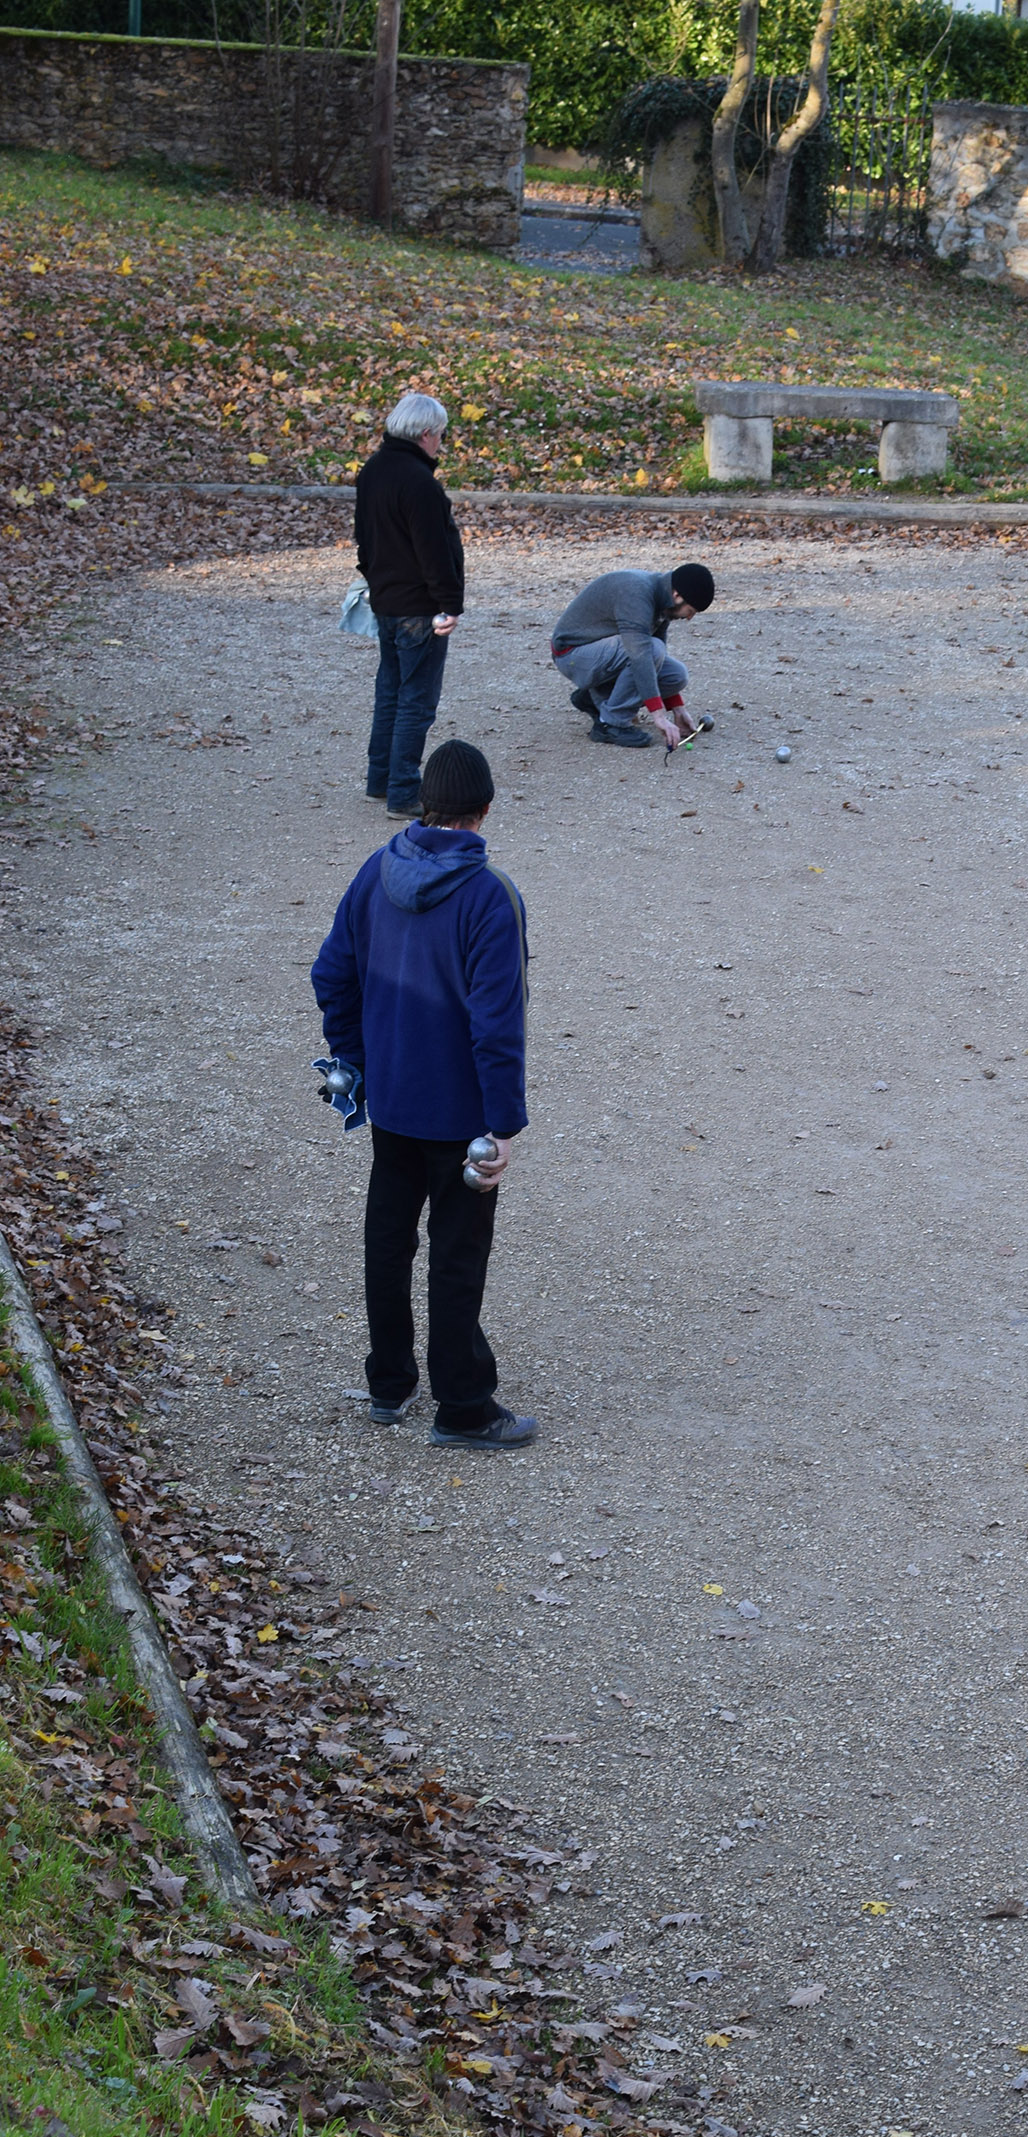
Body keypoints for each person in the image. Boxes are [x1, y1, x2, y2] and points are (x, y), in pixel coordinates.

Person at [311, 738, 536, 1452]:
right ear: (486, 809)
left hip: (394, 1103)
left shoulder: (377, 872)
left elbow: (331, 975)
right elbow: (496, 1023)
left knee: (387, 1238)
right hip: (462, 1114)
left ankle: (388, 1384)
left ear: (424, 805)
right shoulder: (489, 895)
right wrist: (502, 1124)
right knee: (456, 1254)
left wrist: (356, 1058)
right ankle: (463, 1405)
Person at [355, 391, 464, 819]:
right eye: (440, 435)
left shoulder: (373, 471)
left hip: (386, 601)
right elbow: (434, 550)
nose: (442, 442)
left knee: (390, 693)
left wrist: (374, 581)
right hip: (419, 606)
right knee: (416, 701)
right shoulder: (420, 483)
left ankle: (379, 780)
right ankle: (403, 792)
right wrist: (450, 604)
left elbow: (364, 537)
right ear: (425, 433)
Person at [549, 562, 714, 749]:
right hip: (572, 654)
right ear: (677, 596)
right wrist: (659, 716)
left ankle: (595, 698)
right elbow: (641, 655)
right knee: (650, 650)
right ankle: (611, 724)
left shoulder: (664, 600)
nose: (689, 618)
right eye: (691, 611)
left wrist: (677, 707)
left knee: (676, 675)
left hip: (601, 652)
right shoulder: (637, 593)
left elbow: (655, 661)